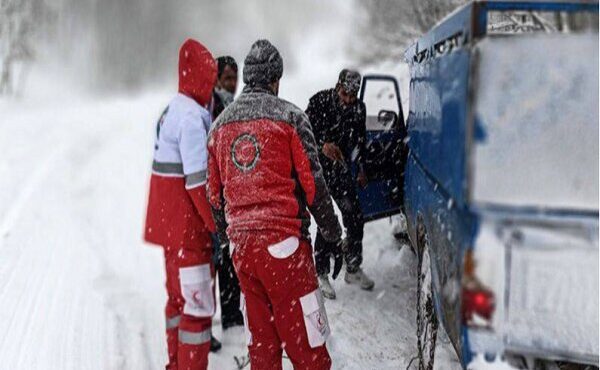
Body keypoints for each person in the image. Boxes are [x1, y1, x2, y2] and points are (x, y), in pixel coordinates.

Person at [207, 39, 343, 370]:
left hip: (245, 253)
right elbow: (314, 185)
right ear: (275, 80)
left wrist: (228, 236)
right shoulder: (290, 118)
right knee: (308, 347)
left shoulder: (219, 127)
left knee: (264, 348)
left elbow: (214, 196)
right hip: (285, 250)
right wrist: (332, 233)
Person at [144, 39, 217, 370]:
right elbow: (198, 182)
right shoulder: (191, 119)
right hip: (190, 233)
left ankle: (175, 365)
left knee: (176, 303)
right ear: (200, 77)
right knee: (197, 312)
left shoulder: (170, 110)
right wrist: (218, 224)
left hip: (169, 229)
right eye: (210, 78)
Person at [306, 69, 375, 300]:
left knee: (355, 215)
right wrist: (322, 145)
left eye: (352, 96)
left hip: (342, 169)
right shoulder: (319, 102)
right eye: (345, 94)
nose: (348, 100)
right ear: (338, 87)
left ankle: (353, 267)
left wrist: (362, 169)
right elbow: (302, 136)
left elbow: (360, 141)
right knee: (327, 217)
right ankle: (321, 271)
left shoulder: (359, 108)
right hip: (319, 170)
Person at [210, 55, 245, 331]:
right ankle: (229, 314)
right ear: (217, 78)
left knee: (230, 252)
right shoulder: (214, 106)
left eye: (235, 78)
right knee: (222, 254)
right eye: (227, 78)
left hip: (230, 189)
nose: (232, 83)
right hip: (218, 191)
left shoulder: (232, 104)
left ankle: (233, 311)